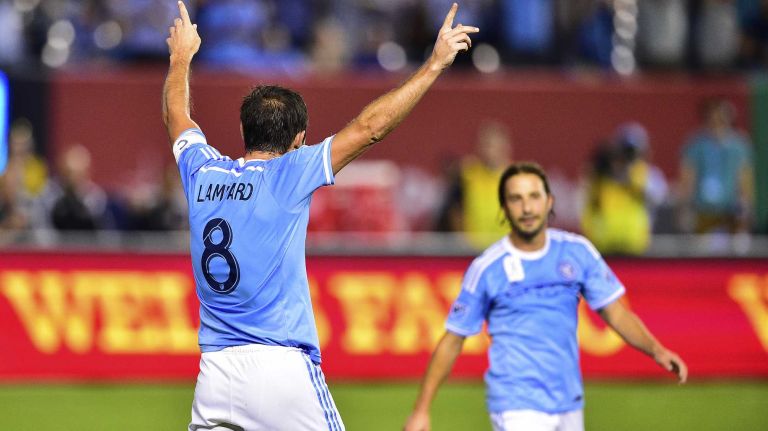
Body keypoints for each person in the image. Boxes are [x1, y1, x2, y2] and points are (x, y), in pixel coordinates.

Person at [163, 2, 478, 430]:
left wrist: (181, 57)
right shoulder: (291, 171)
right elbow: (371, 128)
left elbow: (177, 115)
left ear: (242, 132)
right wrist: (435, 63)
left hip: (215, 375)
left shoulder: (202, 172)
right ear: (299, 140)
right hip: (281, 370)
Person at [405, 162, 687, 431]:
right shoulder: (488, 268)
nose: (526, 208)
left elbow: (616, 312)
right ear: (504, 207)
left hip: (568, 401)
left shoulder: (577, 252)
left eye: (534, 196)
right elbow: (453, 339)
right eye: (515, 199)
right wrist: (422, 408)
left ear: (549, 201)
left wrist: (656, 349)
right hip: (515, 404)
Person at [581, 123, 668, 255]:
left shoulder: (646, 175)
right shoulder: (601, 177)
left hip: (635, 247)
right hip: (604, 247)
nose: (627, 158)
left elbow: (658, 199)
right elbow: (589, 206)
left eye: (632, 152)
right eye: (623, 151)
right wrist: (602, 171)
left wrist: (630, 180)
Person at [679, 97, 754, 234]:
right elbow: (688, 176)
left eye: (721, 119)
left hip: (730, 211)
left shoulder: (739, 145)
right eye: (713, 118)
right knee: (701, 250)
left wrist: (745, 207)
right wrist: (685, 208)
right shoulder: (696, 144)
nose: (717, 123)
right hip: (702, 209)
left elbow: (744, 177)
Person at [435, 120, 513, 248]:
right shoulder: (467, 174)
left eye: (491, 145)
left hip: (505, 247)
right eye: (484, 145)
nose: (487, 150)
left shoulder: (516, 178)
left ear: (505, 147)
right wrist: (462, 240)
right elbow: (454, 210)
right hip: (472, 249)